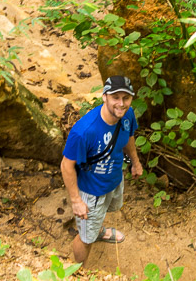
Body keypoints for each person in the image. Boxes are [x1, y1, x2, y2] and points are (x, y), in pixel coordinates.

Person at [61, 75, 143, 265]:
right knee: (85, 238)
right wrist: (76, 201)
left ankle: (96, 230)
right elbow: (66, 165)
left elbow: (129, 136)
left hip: (114, 179)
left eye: (126, 98)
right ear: (104, 97)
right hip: (91, 192)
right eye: (115, 97)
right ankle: (78, 273)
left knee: (101, 215)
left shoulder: (127, 115)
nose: (121, 104)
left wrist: (136, 162)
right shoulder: (84, 131)